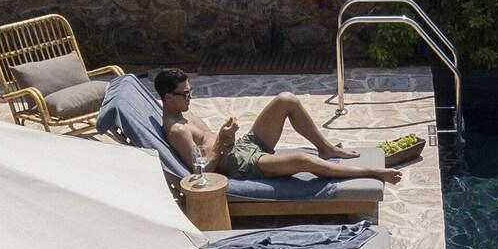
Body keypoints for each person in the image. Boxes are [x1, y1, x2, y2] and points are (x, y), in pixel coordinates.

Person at [151, 70, 401, 185]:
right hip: (240, 164)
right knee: (301, 160)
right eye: (185, 94)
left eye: (191, 91)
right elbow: (201, 174)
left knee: (286, 100)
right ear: (168, 98)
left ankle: (325, 148)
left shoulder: (183, 111)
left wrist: (227, 138)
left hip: (240, 147)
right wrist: (222, 142)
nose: (191, 97)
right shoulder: (177, 131)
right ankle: (371, 172)